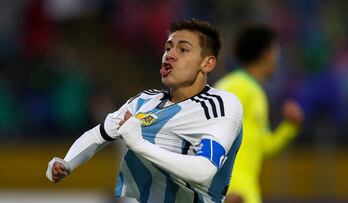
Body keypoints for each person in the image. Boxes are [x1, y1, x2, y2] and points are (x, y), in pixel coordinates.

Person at [46, 19, 244, 203]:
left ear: (207, 63)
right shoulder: (144, 101)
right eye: (168, 48)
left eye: (183, 49)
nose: (170, 55)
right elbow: (98, 135)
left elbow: (204, 170)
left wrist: (140, 144)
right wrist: (67, 162)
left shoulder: (221, 105)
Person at [214, 24, 304, 203]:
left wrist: (289, 126)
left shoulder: (255, 92)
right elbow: (208, 135)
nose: (278, 59)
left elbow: (265, 146)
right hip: (231, 192)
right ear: (266, 54)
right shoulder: (235, 86)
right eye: (277, 51)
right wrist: (225, 189)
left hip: (247, 191)